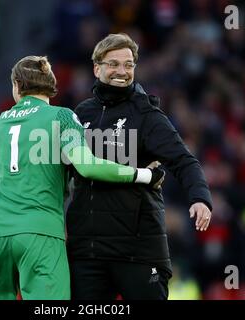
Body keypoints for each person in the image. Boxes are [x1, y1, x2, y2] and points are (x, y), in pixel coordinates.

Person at [0, 55, 165, 300]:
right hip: (40, 234)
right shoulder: (61, 117)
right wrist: (143, 174)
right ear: (50, 84)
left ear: (17, 85)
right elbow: (87, 166)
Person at [66, 33, 213, 300]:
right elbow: (64, 169)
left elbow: (183, 160)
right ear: (96, 68)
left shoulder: (147, 116)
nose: (122, 71)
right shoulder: (80, 114)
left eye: (129, 64)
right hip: (87, 251)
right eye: (113, 64)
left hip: (138, 250)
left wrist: (200, 198)